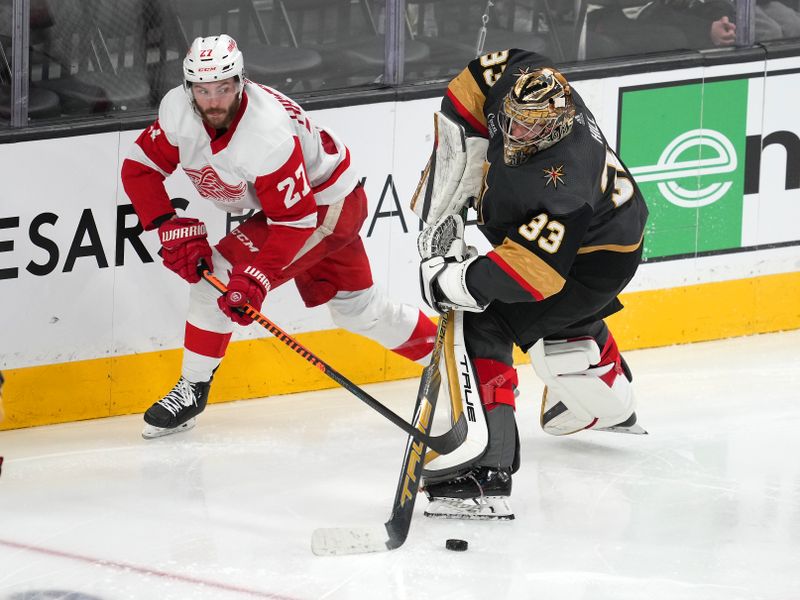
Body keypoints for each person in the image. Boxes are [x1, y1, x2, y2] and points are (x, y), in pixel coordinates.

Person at [121, 34, 437, 439]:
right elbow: (139, 168)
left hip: (326, 209)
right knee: (359, 310)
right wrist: (167, 225)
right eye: (202, 90)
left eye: (223, 88)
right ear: (188, 89)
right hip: (306, 206)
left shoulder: (265, 133)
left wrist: (257, 276)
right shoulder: (177, 111)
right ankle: (449, 356)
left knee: (215, 278)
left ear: (240, 81)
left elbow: (295, 222)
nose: (213, 101)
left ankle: (192, 389)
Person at [413, 49, 649, 520]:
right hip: (599, 229)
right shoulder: (527, 79)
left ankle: (487, 470)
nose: (515, 133)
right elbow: (473, 83)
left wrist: (458, 279)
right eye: (512, 121)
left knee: (482, 323)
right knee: (557, 334)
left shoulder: (567, 185)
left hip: (593, 262)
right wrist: (465, 160)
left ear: (557, 126)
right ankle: (603, 384)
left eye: (530, 127)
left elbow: (533, 276)